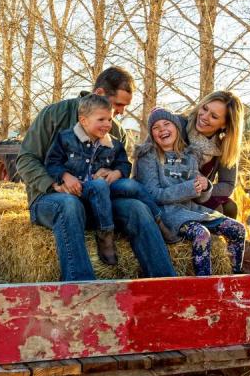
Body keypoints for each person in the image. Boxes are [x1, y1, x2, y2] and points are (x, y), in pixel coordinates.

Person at [15, 66, 176, 281]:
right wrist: (54, 183)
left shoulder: (115, 130)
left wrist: (113, 174)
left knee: (137, 208)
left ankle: (166, 286)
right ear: (100, 94)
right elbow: (25, 159)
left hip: (99, 203)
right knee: (69, 204)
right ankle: (82, 289)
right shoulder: (54, 115)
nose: (121, 112)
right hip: (51, 200)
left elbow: (122, 169)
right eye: (118, 104)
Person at [44, 94, 165, 266]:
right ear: (84, 120)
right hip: (81, 189)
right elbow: (51, 163)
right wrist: (65, 176)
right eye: (101, 119)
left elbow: (124, 164)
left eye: (109, 119)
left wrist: (116, 173)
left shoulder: (114, 144)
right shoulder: (65, 138)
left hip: (107, 187)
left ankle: (159, 220)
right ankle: (105, 236)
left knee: (131, 184)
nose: (108, 124)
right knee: (99, 185)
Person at [133, 108, 246, 275]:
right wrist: (187, 189)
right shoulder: (149, 156)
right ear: (152, 134)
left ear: (177, 129)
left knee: (238, 229)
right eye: (155, 127)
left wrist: (205, 186)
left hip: (192, 210)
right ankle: (203, 284)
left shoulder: (190, 155)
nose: (162, 129)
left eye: (166, 124)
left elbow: (199, 198)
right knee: (202, 235)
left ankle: (235, 278)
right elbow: (152, 194)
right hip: (167, 214)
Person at [184, 91, 245, 218]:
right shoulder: (178, 126)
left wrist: (207, 186)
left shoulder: (224, 146)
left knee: (230, 207)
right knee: (216, 210)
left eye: (214, 116)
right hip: (172, 189)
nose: (204, 116)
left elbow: (228, 185)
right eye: (204, 108)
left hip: (201, 193)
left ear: (225, 124)